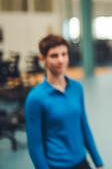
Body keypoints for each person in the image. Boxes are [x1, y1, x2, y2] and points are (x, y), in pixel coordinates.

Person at [25, 34, 104, 169]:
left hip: (82, 162)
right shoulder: (35, 98)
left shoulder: (76, 88)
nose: (61, 60)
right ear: (42, 59)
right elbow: (35, 147)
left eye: (64, 54)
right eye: (54, 55)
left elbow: (84, 127)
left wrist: (98, 163)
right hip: (57, 166)